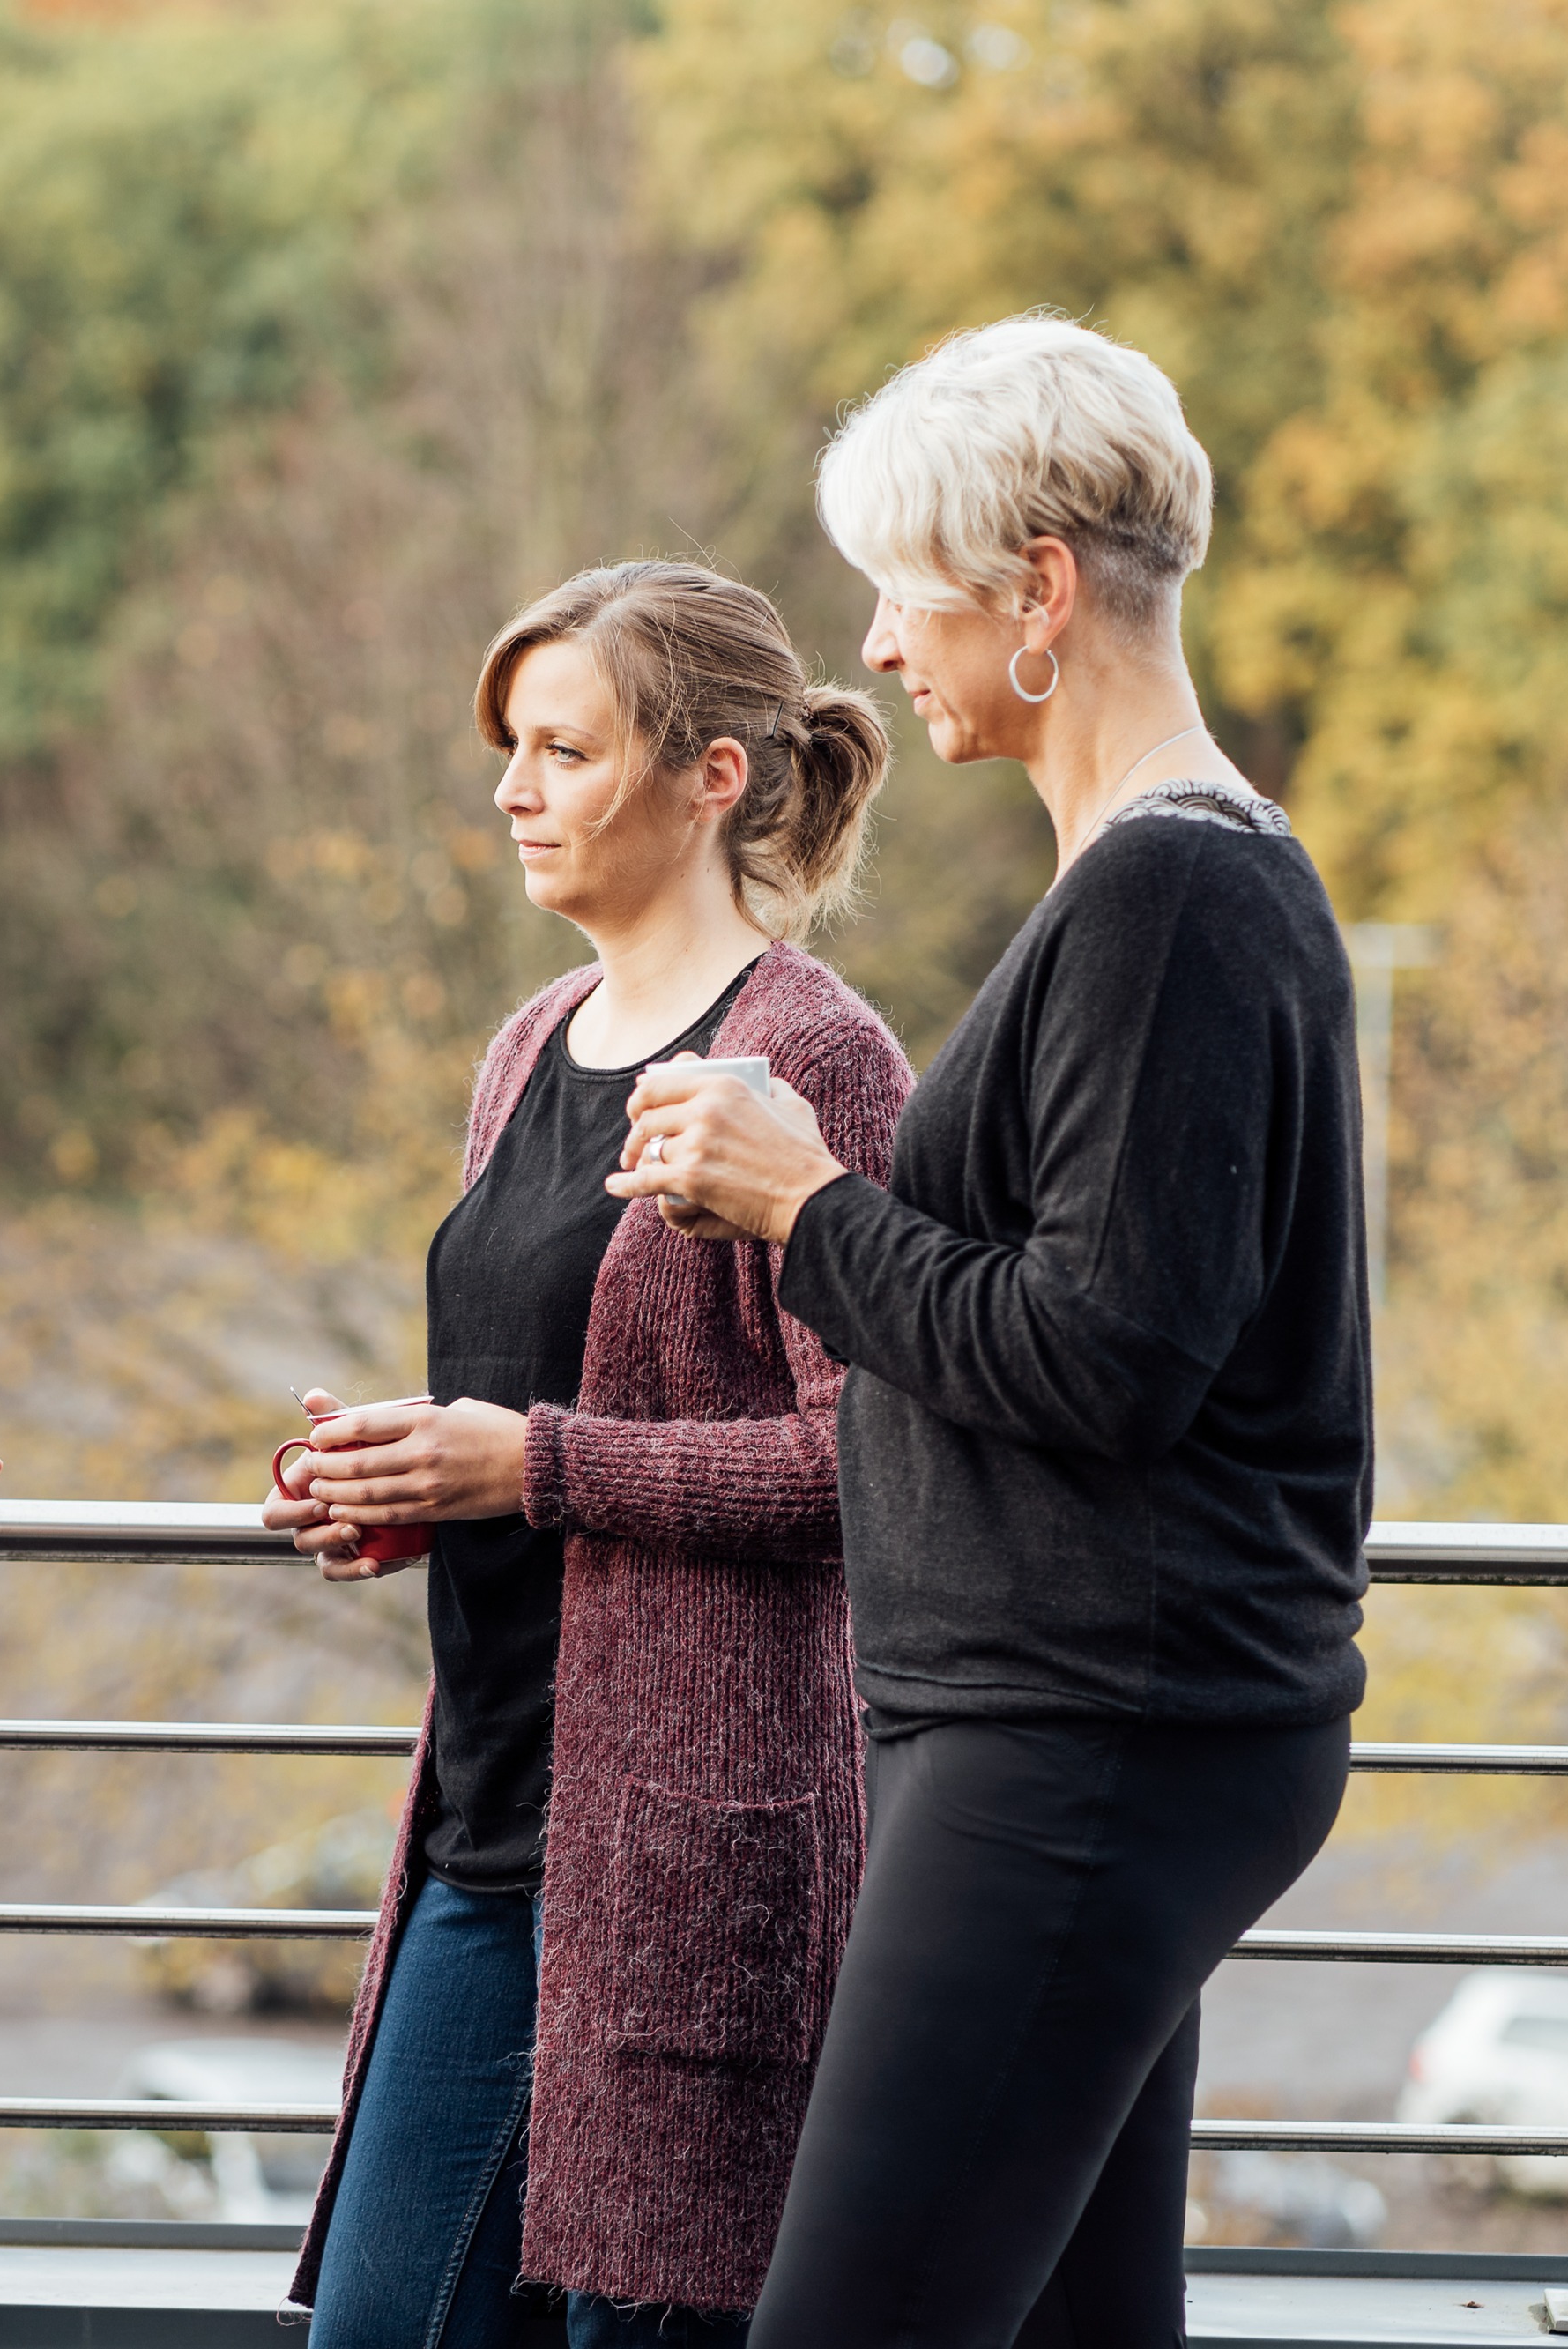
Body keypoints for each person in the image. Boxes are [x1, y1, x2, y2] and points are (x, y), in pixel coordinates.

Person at [622, 316, 1369, 2345]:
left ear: (1038, 593)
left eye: (905, 593)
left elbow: (1108, 1356)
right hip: (1087, 1719)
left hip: (1094, 1730)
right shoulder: (1168, 885)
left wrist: (804, 1205)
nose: (875, 647)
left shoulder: (1170, 905)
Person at [271, 561, 912, 2345]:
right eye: (509, 748)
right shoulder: (527, 1045)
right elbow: (529, 1402)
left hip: (686, 1854)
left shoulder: (814, 1056)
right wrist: (401, 1485)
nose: (512, 788)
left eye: (563, 748)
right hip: (484, 1823)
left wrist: (527, 1468)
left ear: (712, 774)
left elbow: (870, 1469)